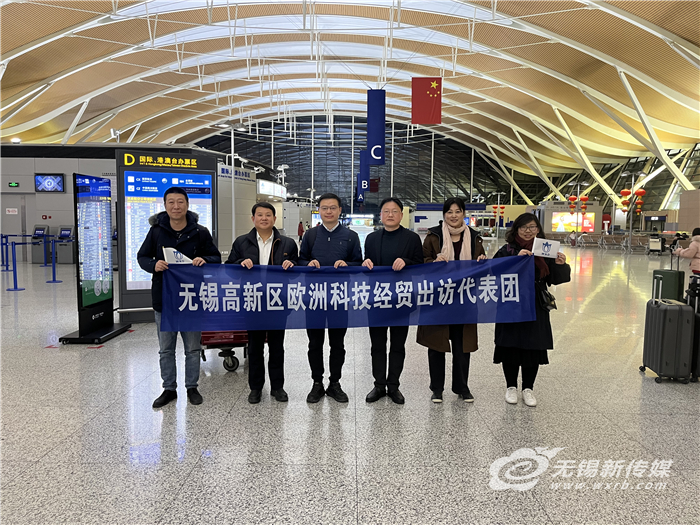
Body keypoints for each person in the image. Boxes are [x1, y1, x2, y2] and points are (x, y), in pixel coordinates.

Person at [137, 187, 221, 408]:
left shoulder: (200, 232)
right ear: (165, 205)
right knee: (166, 348)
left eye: (180, 202)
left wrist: (205, 260)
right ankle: (169, 389)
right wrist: (153, 264)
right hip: (164, 299)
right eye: (171, 202)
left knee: (192, 348)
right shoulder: (156, 231)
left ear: (187, 204)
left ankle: (192, 387)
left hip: (191, 299)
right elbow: (142, 256)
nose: (176, 206)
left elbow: (215, 257)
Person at [492, 213, 570, 407]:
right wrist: (514, 260)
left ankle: (528, 388)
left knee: (533, 346)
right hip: (511, 302)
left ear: (538, 229)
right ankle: (511, 386)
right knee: (510, 345)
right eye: (523, 227)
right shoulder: (507, 250)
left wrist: (560, 265)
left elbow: (554, 279)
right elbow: (493, 271)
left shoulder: (545, 250)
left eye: (532, 227)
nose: (528, 231)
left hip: (535, 304)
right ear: (516, 229)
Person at [226, 202, 298, 404]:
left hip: (277, 302)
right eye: (260, 215)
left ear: (274, 219)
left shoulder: (287, 243)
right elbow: (229, 269)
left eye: (268, 215)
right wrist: (239, 264)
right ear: (253, 219)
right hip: (253, 301)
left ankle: (277, 387)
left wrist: (292, 265)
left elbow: (297, 271)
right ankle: (255, 388)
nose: (264, 218)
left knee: (277, 347)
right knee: (255, 347)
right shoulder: (241, 242)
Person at [417, 197, 486, 404]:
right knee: (436, 344)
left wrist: (482, 262)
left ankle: (462, 386)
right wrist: (433, 261)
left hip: (464, 298)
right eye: (449, 212)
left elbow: (481, 267)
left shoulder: (474, 237)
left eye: (458, 211)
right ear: (444, 214)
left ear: (464, 213)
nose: (453, 215)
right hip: (439, 298)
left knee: (462, 345)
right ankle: (437, 388)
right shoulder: (433, 236)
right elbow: (422, 262)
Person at [298, 192, 363, 403]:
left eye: (333, 207)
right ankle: (317, 383)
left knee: (338, 344)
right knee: (314, 343)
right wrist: (308, 263)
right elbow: (301, 260)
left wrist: (348, 265)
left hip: (339, 298)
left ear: (339, 210)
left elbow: (358, 263)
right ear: (319, 210)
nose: (328, 211)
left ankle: (335, 383)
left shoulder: (351, 236)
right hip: (314, 298)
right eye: (324, 208)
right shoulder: (310, 235)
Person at [362, 197, 423, 404]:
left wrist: (406, 261)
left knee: (398, 345)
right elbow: (366, 266)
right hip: (377, 299)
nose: (390, 214)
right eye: (386, 211)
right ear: (380, 215)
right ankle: (379, 385)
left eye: (394, 211)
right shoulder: (371, 239)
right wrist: (365, 263)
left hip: (401, 300)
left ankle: (394, 385)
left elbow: (420, 265)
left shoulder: (412, 238)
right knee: (377, 345)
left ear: (401, 215)